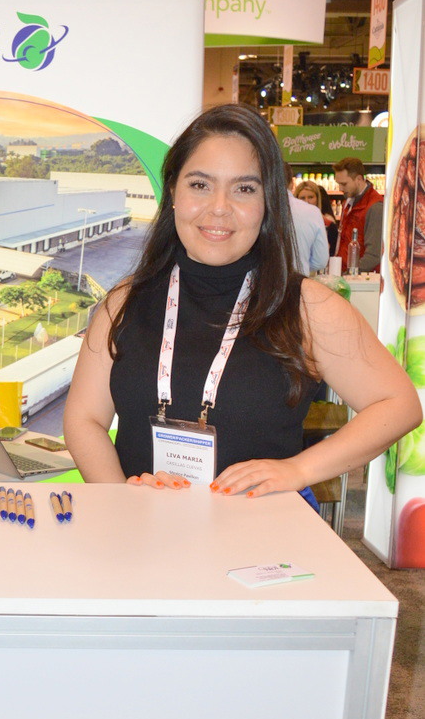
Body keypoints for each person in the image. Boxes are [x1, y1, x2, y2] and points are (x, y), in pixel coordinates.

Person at [63, 104, 420, 499]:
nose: (220, 207)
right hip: (140, 529)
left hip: (259, 532)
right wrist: (120, 500)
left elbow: (397, 404)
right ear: (174, 192)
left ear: (268, 202)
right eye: (200, 185)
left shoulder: (307, 307)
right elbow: (84, 419)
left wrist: (300, 468)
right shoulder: (125, 301)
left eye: (244, 189)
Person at [333, 156, 383, 272]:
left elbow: (374, 254)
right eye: (338, 183)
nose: (340, 188)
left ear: (359, 179)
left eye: (344, 184)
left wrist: (350, 274)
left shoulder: (375, 207)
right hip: (347, 274)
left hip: (363, 278)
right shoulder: (348, 203)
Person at [284, 164, 328, 274]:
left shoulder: (257, 208)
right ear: (292, 183)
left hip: (260, 282)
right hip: (298, 279)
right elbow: (321, 261)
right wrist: (303, 265)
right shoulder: (313, 212)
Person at [295, 179, 338, 255]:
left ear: (317, 199)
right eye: (302, 198)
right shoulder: (290, 224)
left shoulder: (328, 225)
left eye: (310, 197)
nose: (306, 201)